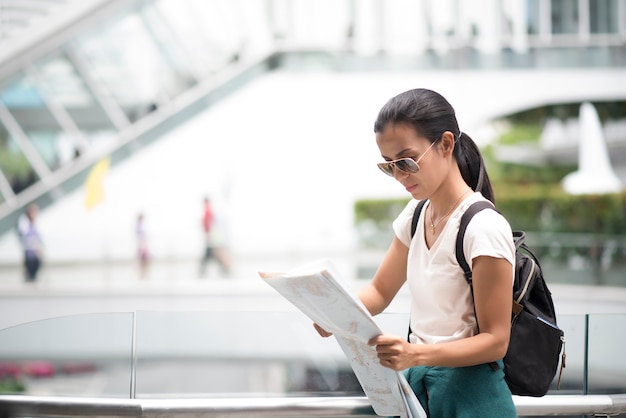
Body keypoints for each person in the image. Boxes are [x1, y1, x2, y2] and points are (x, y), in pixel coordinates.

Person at [314, 88, 517, 417]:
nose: (399, 176)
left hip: (473, 399)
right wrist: (336, 317)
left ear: (446, 144)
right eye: (389, 166)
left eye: (406, 161)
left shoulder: (484, 228)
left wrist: (416, 355)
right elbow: (380, 291)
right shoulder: (416, 215)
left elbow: (496, 341)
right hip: (421, 392)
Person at [199, 196, 231, 277]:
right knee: (211, 255)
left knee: (211, 255)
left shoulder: (209, 212)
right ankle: (224, 269)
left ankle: (225, 269)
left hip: (212, 239)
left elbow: (209, 226)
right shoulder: (209, 212)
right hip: (211, 238)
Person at [17, 204, 44, 282]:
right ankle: (29, 276)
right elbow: (25, 234)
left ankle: (32, 276)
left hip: (33, 245)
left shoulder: (34, 221)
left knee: (36, 261)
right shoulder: (24, 221)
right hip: (29, 246)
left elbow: (38, 234)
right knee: (30, 261)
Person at [136, 213, 150, 278]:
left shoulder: (140, 225)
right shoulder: (139, 226)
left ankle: (143, 273)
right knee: (143, 258)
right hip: (142, 243)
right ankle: (142, 272)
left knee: (143, 257)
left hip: (142, 243)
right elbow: (140, 234)